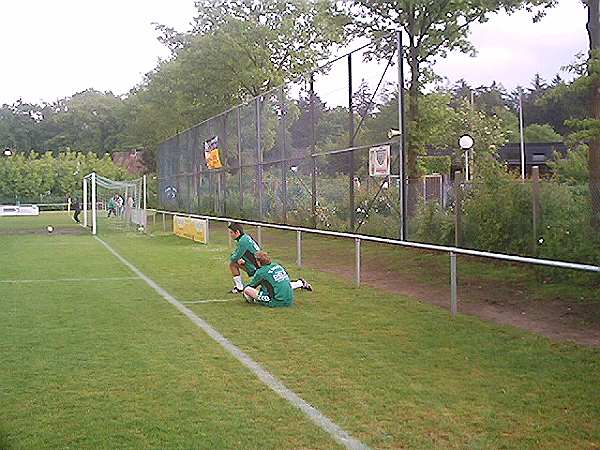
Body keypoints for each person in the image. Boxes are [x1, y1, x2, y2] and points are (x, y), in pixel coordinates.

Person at [243, 251, 312, 307]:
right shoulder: (277, 265)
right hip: (289, 300)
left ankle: (253, 301)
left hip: (276, 301)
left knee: (247, 290)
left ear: (258, 261)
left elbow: (252, 286)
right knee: (280, 284)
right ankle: (300, 283)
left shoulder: (261, 272)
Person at [228, 222, 261, 293]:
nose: (230, 235)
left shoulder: (242, 241)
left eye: (231, 232)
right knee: (233, 264)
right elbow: (237, 253)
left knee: (232, 263)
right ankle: (239, 287)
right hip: (258, 265)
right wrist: (239, 258)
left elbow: (234, 257)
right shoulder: (245, 237)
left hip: (256, 268)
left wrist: (237, 258)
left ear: (237, 232)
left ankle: (240, 287)